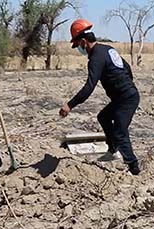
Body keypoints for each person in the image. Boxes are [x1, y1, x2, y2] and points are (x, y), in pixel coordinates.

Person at [60, 18, 141, 175]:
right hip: (124, 96)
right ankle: (112, 150)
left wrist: (70, 105)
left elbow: (89, 87)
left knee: (120, 131)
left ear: (83, 41)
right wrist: (124, 85)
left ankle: (134, 167)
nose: (79, 49)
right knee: (103, 117)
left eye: (78, 45)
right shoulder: (107, 49)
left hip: (126, 98)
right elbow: (127, 68)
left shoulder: (95, 57)